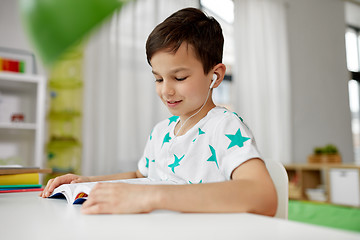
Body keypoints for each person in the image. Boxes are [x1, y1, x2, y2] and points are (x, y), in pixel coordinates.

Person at [41, 7, 277, 216]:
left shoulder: (223, 126)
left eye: (179, 77)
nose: (166, 90)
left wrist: (155, 196)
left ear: (215, 75)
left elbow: (264, 196)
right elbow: (140, 176)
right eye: (158, 78)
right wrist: (87, 181)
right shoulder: (161, 131)